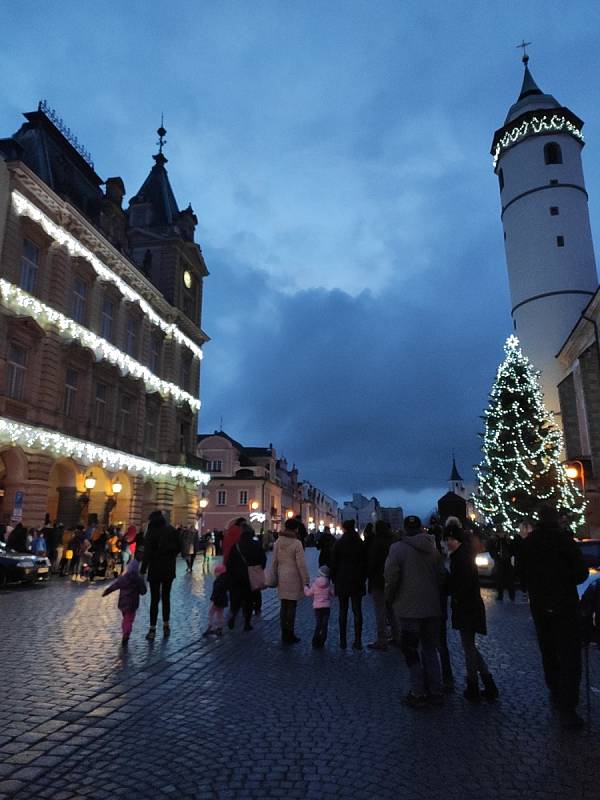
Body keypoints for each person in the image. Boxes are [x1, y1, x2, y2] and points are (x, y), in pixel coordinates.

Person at [519, 504, 589, 729]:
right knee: (569, 655)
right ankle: (568, 704)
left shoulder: (530, 543)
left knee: (548, 650)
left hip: (540, 605)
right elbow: (581, 573)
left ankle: (555, 690)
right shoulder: (564, 541)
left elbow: (520, 573)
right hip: (565, 604)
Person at [384, 515, 445, 708]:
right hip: (431, 607)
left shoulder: (397, 549)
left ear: (404, 529)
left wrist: (390, 599)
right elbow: (442, 576)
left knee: (410, 651)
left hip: (408, 608)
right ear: (420, 529)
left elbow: (391, 577)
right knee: (430, 649)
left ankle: (417, 691)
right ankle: (436, 690)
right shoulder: (433, 550)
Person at [446, 522, 498, 702]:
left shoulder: (460, 558)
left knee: (468, 647)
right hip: (470, 605)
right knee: (470, 646)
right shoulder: (464, 554)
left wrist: (451, 589)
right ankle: (488, 683)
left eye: (451, 539)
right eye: (447, 539)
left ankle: (473, 685)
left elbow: (461, 584)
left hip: (466, 606)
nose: (448, 542)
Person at [141, 510, 181, 641]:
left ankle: (152, 629)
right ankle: (166, 625)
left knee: (154, 599)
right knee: (166, 597)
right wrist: (170, 557)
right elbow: (179, 546)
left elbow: (146, 552)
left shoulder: (152, 531)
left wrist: (143, 569)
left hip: (155, 569)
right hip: (169, 569)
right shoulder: (171, 530)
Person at [271, 518, 309, 644]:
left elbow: (274, 561)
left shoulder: (278, 542)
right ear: (296, 529)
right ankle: (290, 633)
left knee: (284, 605)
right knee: (292, 605)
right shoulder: (297, 543)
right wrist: (306, 581)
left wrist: (274, 575)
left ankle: (284, 632)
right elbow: (301, 564)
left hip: (282, 575)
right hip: (293, 577)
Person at [331, 519, 367, 650]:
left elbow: (333, 564)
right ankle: (358, 641)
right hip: (357, 581)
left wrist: (334, 579)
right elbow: (365, 563)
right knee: (357, 611)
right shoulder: (360, 543)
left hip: (342, 581)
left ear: (344, 528)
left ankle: (343, 641)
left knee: (343, 610)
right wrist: (363, 578)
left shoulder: (339, 543)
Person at [225, 523, 266, 632]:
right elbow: (263, 560)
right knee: (249, 600)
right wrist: (258, 568)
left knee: (236, 600)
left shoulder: (236, 545)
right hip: (251, 577)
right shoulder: (256, 544)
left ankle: (233, 615)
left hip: (237, 577)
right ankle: (247, 623)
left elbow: (230, 563)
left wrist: (231, 575)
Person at [102, 558, 148, 646]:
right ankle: (126, 633)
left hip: (123, 602)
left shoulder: (124, 578)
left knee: (126, 618)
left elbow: (115, 585)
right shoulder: (138, 579)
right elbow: (143, 591)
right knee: (129, 619)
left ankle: (125, 631)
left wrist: (107, 591)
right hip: (133, 603)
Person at [366, 520, 395, 651]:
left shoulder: (376, 543)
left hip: (378, 580)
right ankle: (397, 635)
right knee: (393, 610)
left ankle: (382, 639)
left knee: (380, 611)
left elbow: (371, 563)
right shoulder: (393, 542)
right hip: (392, 580)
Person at [304, 564, 335, 648]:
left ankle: (315, 641)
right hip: (326, 608)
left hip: (317, 608)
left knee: (318, 624)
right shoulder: (329, 584)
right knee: (324, 625)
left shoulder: (315, 584)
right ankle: (322, 641)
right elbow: (333, 594)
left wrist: (305, 587)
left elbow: (308, 594)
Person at [489, 531, 516, 602]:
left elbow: (512, 549)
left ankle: (510, 595)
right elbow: (492, 549)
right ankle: (502, 595)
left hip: (506, 562)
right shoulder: (496, 541)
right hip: (501, 562)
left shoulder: (507, 541)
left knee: (508, 580)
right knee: (500, 580)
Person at [203, 564, 229, 637]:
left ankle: (210, 626)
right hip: (223, 600)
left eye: (216, 572)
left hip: (217, 600)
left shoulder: (219, 581)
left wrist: (213, 598)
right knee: (220, 614)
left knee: (211, 612)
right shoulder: (224, 580)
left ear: (219, 573)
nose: (214, 574)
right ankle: (220, 628)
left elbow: (216, 591)